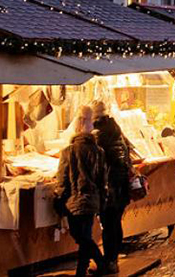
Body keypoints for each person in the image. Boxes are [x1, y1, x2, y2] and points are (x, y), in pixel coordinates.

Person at [54, 106, 109, 277]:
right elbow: (103, 179)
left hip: (74, 200)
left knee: (81, 236)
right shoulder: (98, 152)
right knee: (84, 236)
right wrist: (102, 199)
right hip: (92, 200)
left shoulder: (68, 152)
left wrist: (58, 199)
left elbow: (62, 180)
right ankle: (83, 270)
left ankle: (98, 264)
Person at [93, 102, 132, 273]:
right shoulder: (117, 132)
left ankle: (109, 262)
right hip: (122, 187)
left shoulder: (100, 136)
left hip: (110, 188)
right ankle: (113, 259)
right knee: (115, 224)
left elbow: (97, 163)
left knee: (109, 226)